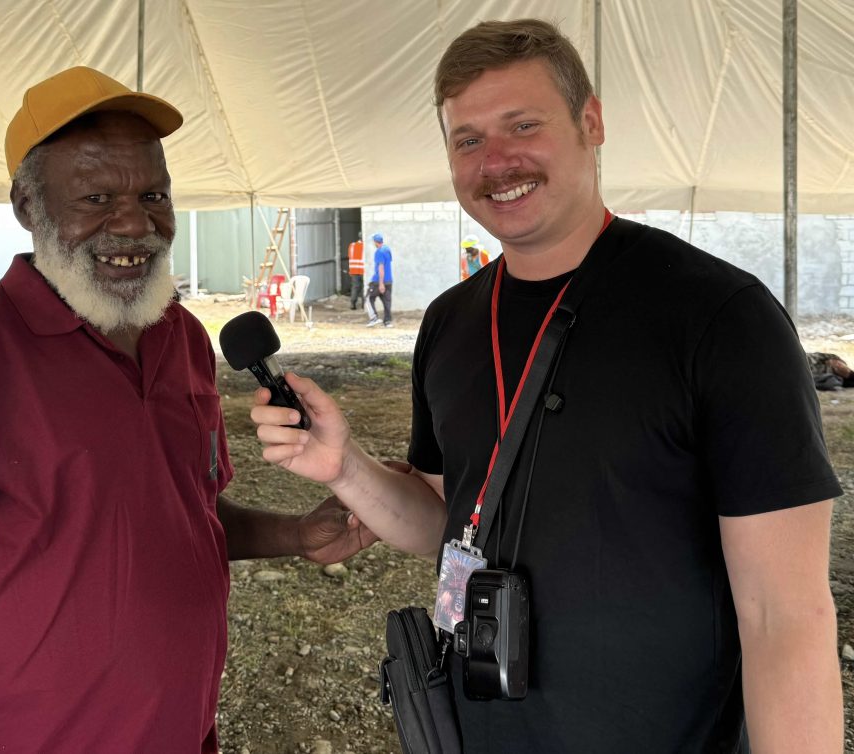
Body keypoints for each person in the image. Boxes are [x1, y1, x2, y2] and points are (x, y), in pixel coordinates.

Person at [251, 19, 842, 753]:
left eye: (522, 125)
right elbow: (446, 523)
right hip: (481, 729)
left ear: (590, 123)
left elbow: (785, 616)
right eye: (467, 140)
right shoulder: (450, 322)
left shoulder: (718, 317)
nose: (496, 161)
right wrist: (343, 466)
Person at [0, 66, 370, 754]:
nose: (133, 222)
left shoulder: (180, 336)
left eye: (154, 193)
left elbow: (187, 511)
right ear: (28, 208)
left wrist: (297, 536)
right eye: (96, 196)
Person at [365, 232, 394, 327]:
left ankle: (374, 318)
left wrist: (381, 283)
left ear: (375, 242)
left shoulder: (379, 252)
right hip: (389, 280)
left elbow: (381, 267)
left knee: (369, 298)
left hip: (378, 281)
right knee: (387, 301)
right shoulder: (387, 250)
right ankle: (387, 321)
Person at [347, 233, 365, 310]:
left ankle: (353, 303)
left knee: (355, 287)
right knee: (365, 287)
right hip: (363, 270)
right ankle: (364, 305)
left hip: (353, 270)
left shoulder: (352, 245)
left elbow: (349, 256)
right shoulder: (365, 246)